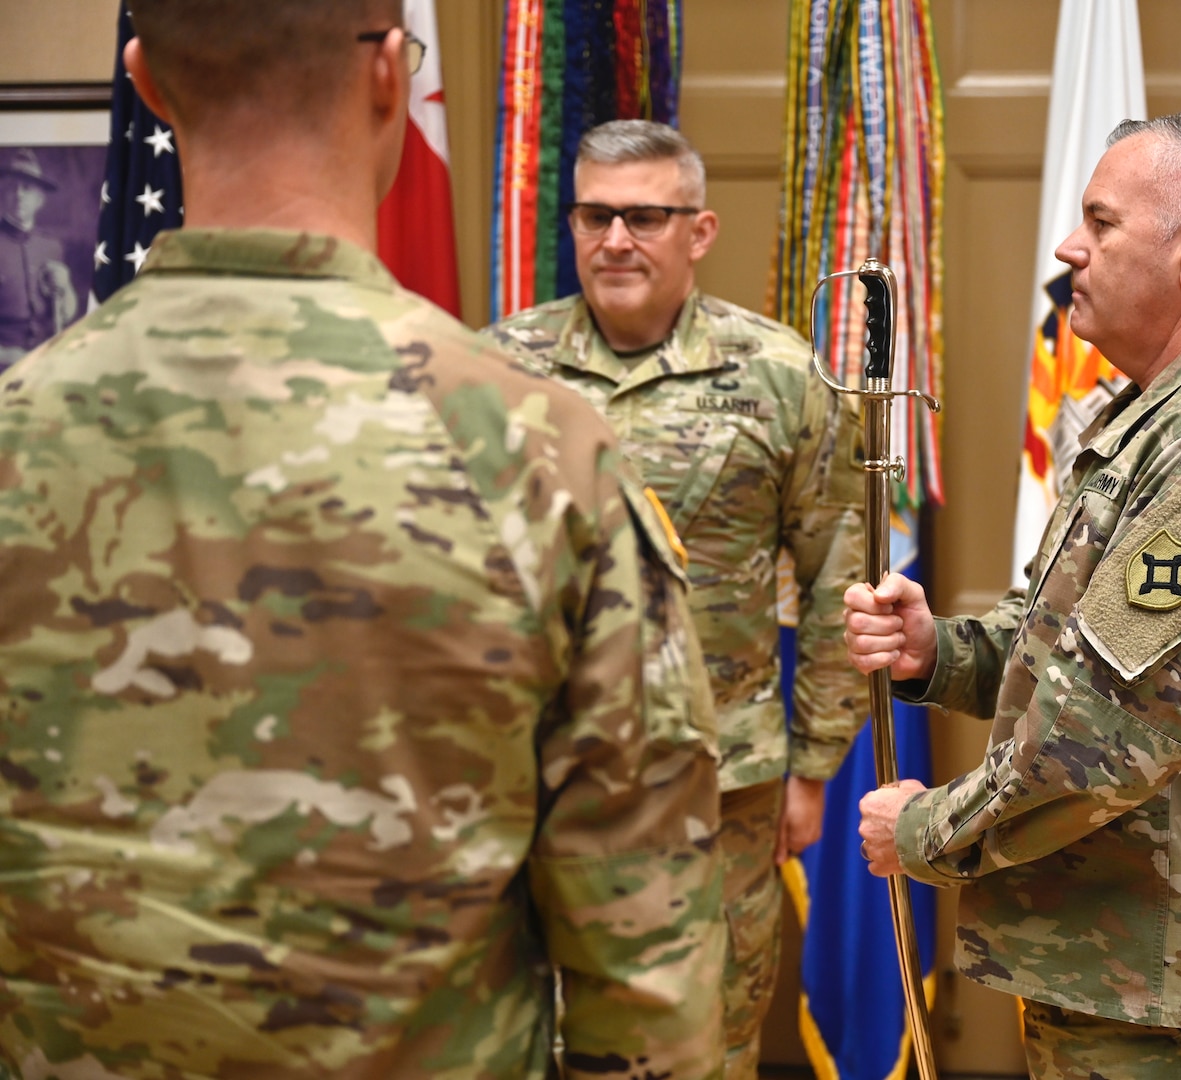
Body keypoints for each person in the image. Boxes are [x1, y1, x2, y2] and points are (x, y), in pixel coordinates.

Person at [0, 4, 724, 1078]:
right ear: (391, 72)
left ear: (144, 80)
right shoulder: (541, 453)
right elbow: (642, 955)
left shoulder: (16, 435)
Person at [845, 113, 1181, 1080]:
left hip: (1172, 995)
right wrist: (937, 652)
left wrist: (924, 830)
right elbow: (1079, 646)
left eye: (1101, 222)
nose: (1069, 248)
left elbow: (1097, 736)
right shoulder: (1155, 424)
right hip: (1127, 967)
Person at [488, 120, 868, 1080]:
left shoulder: (781, 374)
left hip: (720, 779)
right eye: (594, 215)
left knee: (713, 1028)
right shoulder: (495, 368)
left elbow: (835, 573)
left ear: (697, 231)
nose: (615, 239)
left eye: (644, 217)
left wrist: (816, 762)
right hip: (535, 771)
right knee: (532, 1025)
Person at [0, 147, 79, 368]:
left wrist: (66, 286)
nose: (18, 194)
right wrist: (6, 355)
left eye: (26, 188)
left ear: (40, 199)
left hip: (46, 361)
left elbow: (65, 314)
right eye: (11, 187)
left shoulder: (51, 246)